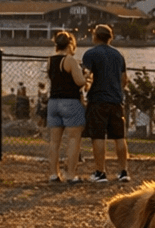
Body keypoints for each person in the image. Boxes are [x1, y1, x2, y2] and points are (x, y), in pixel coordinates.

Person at [81, 24, 130, 183]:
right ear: (110, 37)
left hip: (97, 100)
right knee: (119, 137)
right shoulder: (118, 55)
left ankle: (100, 172)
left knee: (98, 136)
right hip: (116, 100)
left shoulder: (90, 54)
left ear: (95, 36)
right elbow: (124, 79)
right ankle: (123, 171)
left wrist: (84, 87)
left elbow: (86, 75)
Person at [45, 31, 87, 182]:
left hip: (53, 102)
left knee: (54, 141)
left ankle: (53, 173)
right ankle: (70, 174)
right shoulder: (69, 60)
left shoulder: (50, 60)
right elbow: (80, 81)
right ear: (70, 44)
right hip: (70, 102)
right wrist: (86, 76)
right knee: (73, 139)